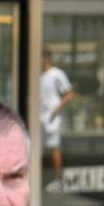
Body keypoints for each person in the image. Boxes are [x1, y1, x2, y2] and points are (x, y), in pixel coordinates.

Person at [41, 50, 75, 178]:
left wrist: (55, 110)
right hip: (39, 118)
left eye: (40, 57)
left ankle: (58, 178)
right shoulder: (39, 76)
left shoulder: (56, 74)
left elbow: (69, 94)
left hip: (52, 119)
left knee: (54, 147)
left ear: (46, 58)